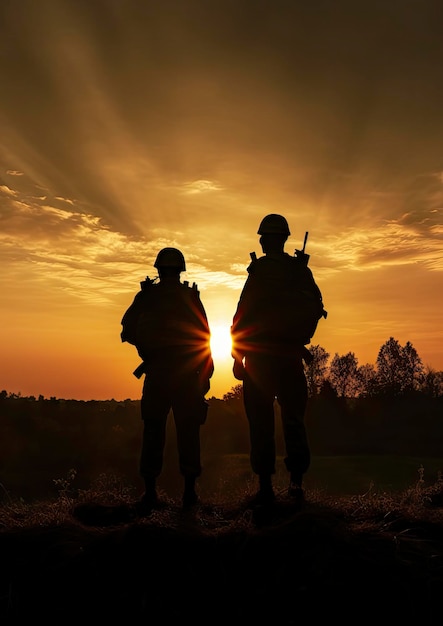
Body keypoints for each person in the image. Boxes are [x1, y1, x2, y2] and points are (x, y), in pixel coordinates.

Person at [230, 214, 326, 506]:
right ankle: (296, 486)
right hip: (290, 356)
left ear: (263, 239)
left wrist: (237, 356)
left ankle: (265, 488)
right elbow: (316, 306)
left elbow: (241, 315)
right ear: (284, 239)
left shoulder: (259, 271)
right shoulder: (299, 271)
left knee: (261, 423)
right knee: (294, 421)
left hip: (259, 359)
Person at [121, 247, 214, 513]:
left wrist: (149, 347)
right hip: (187, 376)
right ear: (180, 269)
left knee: (153, 432)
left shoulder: (148, 296)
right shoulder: (190, 297)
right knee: (188, 433)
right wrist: (206, 374)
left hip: (157, 374)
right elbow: (205, 337)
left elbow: (127, 329)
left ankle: (150, 493)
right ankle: (189, 494)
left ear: (159, 269)